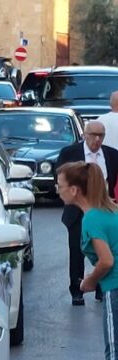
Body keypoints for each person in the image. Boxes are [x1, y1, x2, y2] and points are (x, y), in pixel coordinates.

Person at [56, 161, 118, 359]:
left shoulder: (91, 218)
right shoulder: (112, 212)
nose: (58, 190)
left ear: (74, 190)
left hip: (114, 287)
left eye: (60, 185)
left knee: (114, 349)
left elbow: (107, 260)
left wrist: (89, 281)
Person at [56, 121, 118, 305]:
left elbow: (106, 260)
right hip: (76, 213)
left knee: (105, 250)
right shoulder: (69, 153)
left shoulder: (112, 154)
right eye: (93, 134)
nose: (97, 139)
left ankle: (101, 288)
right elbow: (60, 178)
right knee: (77, 250)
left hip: (103, 208)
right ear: (85, 134)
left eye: (101, 135)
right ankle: (77, 290)